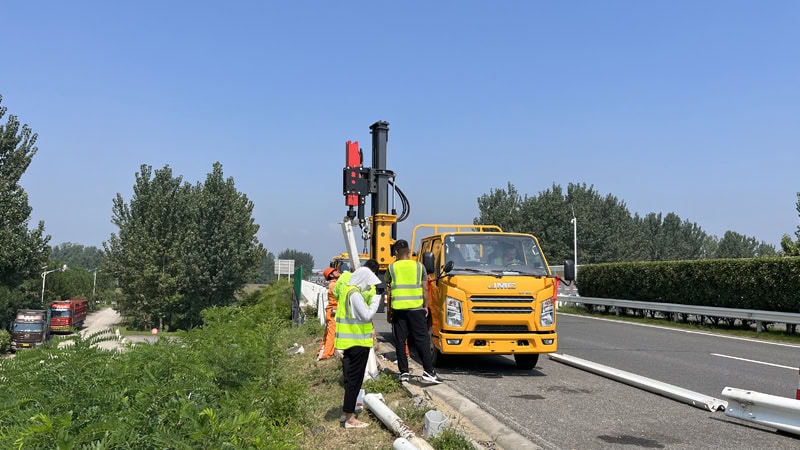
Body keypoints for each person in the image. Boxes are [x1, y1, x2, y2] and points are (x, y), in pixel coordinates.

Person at [385, 239, 442, 384]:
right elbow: (424, 289)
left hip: (399, 310)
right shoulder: (419, 267)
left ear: (396, 252)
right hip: (416, 309)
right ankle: (428, 372)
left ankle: (404, 372)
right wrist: (425, 306)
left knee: (400, 340)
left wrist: (390, 311)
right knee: (422, 339)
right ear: (409, 252)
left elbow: (389, 290)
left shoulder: (392, 268)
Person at [334, 266, 383, 429]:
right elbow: (366, 315)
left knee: (350, 380)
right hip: (358, 343)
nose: (369, 288)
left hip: (349, 343)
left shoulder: (347, 291)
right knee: (355, 381)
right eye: (368, 284)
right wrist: (377, 299)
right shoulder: (355, 294)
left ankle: (346, 413)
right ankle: (350, 418)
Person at [316, 267, 340, 361]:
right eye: (335, 271)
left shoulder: (333, 284)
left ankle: (321, 351)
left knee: (327, 334)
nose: (337, 271)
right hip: (333, 312)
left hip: (331, 312)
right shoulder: (334, 285)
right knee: (331, 334)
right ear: (331, 275)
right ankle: (326, 354)